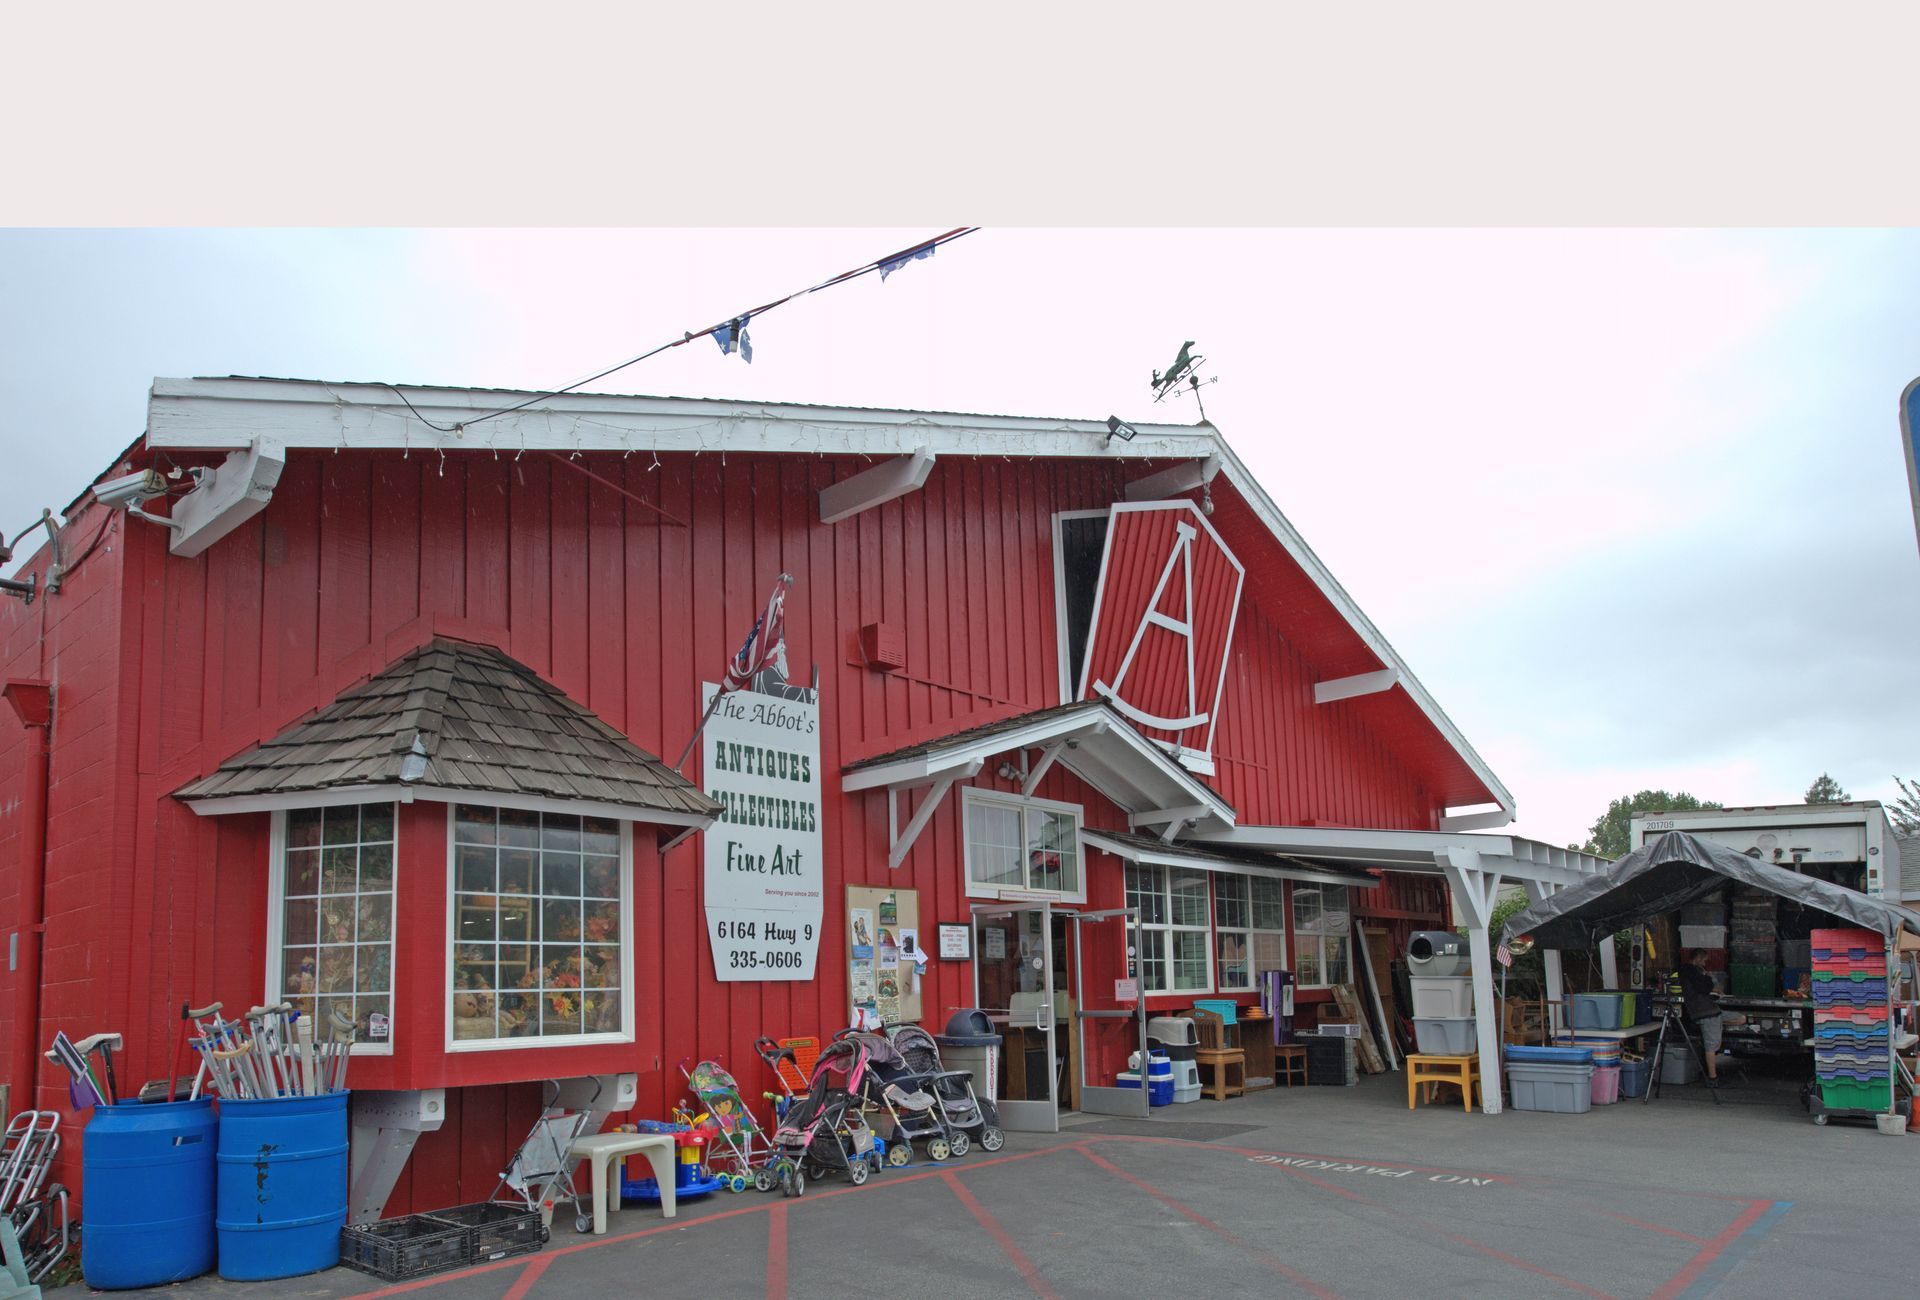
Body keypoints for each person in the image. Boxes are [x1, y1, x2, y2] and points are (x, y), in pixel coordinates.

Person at [1673, 950, 1745, 1082]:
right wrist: (1708, 977)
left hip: (1710, 1011)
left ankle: (1715, 1026)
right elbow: (1703, 987)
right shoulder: (1693, 972)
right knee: (1711, 1046)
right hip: (1706, 1011)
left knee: (1741, 1018)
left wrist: (1712, 988)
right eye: (1704, 960)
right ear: (1698, 958)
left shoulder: (1688, 972)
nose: (1705, 963)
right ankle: (1713, 1078)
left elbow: (1699, 989)